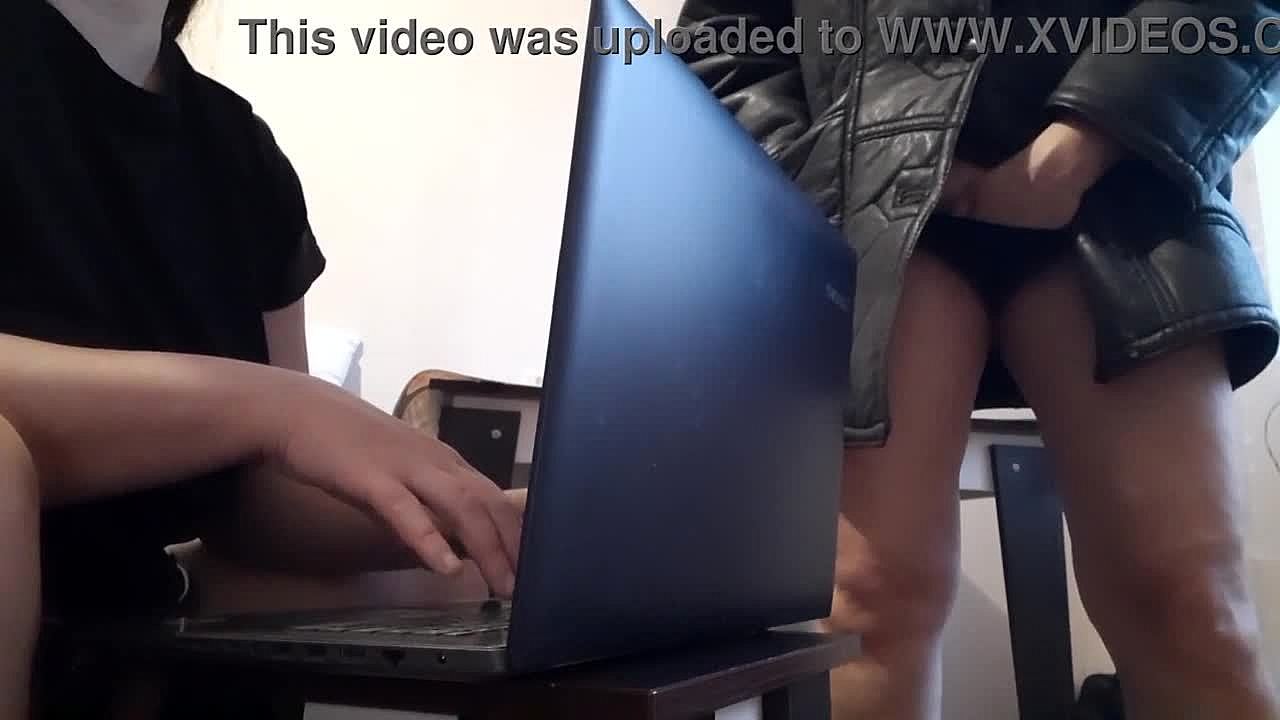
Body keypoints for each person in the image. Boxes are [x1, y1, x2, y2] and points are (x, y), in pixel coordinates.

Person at [677, 1, 1280, 719]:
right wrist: (818, 178)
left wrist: (1092, 137)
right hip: (870, 190)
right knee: (866, 608)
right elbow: (729, 44)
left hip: (1127, 174)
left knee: (1187, 606)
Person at [0, 1, 526, 717]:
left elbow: (257, 500)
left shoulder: (234, 150)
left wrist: (488, 514)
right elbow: (273, 422)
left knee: (466, 577)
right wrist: (275, 407)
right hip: (64, 599)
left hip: (137, 608)